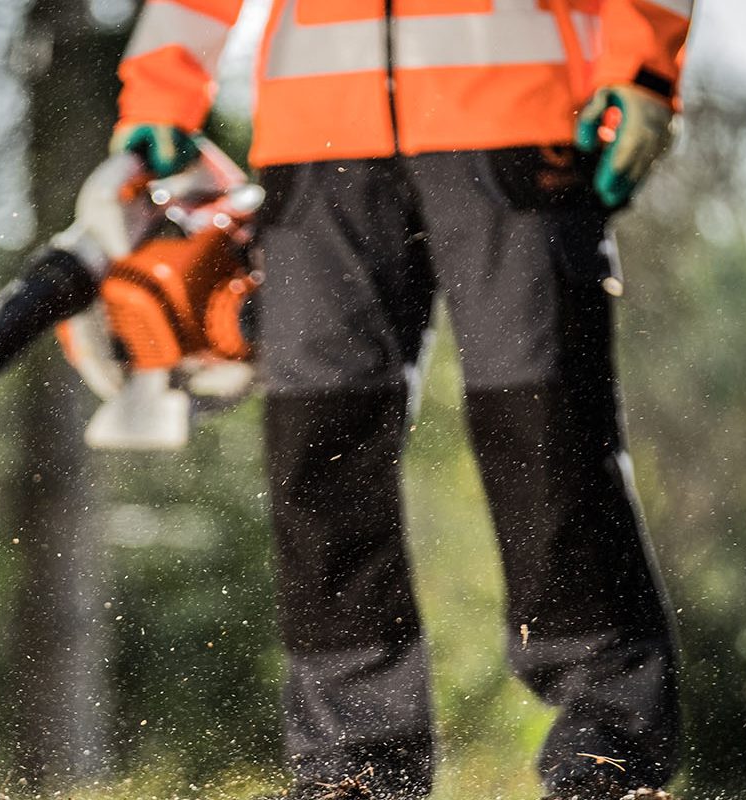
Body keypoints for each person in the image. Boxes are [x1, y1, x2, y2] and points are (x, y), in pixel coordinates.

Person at [110, 2, 692, 798]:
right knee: (319, 450)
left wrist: (642, 65)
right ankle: (354, 770)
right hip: (317, 135)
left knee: (548, 435)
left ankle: (608, 756)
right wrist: (159, 92)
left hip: (515, 112)